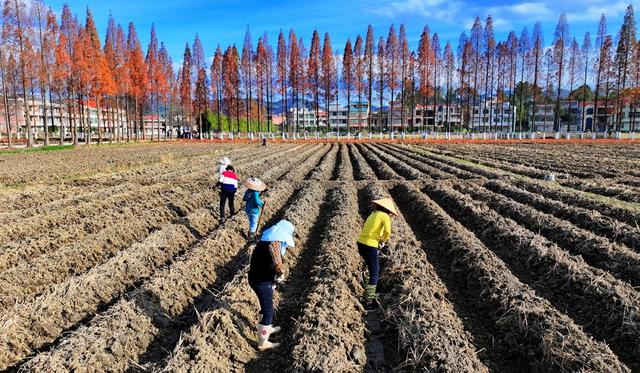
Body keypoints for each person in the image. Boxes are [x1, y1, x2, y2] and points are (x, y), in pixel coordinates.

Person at [248, 220, 296, 351]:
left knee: (266, 306)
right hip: (261, 281)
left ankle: (267, 328)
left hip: (257, 278)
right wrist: (280, 274)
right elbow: (277, 263)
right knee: (269, 311)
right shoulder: (274, 245)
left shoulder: (266, 241)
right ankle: (263, 342)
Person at [357, 198, 398, 311]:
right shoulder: (384, 216)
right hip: (370, 245)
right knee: (375, 272)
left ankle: (368, 288)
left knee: (372, 267)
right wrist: (383, 240)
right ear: (387, 210)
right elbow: (388, 231)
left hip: (361, 243)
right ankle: (368, 302)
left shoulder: (373, 214)